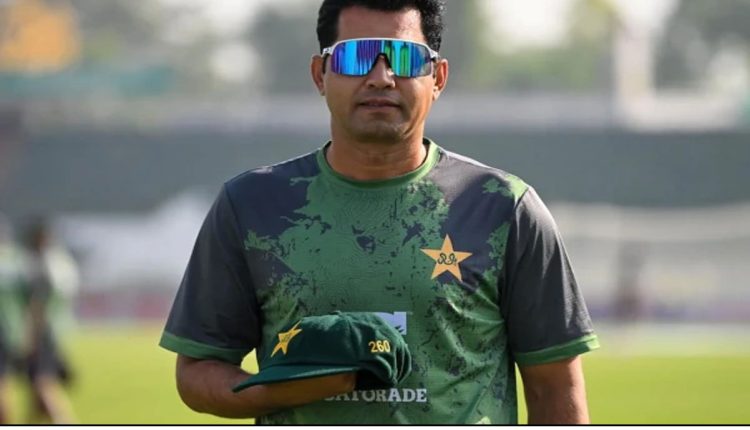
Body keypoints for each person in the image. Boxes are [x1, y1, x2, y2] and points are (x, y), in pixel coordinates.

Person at [160, 0, 599, 424]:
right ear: (320, 74)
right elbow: (197, 372)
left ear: (437, 77)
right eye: (356, 57)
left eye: (405, 59)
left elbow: (555, 391)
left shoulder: (504, 206)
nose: (381, 77)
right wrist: (289, 389)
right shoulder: (252, 205)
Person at [20, 219, 78, 424]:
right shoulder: (59, 264)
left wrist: (30, 336)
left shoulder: (39, 267)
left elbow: (37, 305)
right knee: (36, 394)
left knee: (43, 384)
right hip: (54, 330)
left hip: (41, 333)